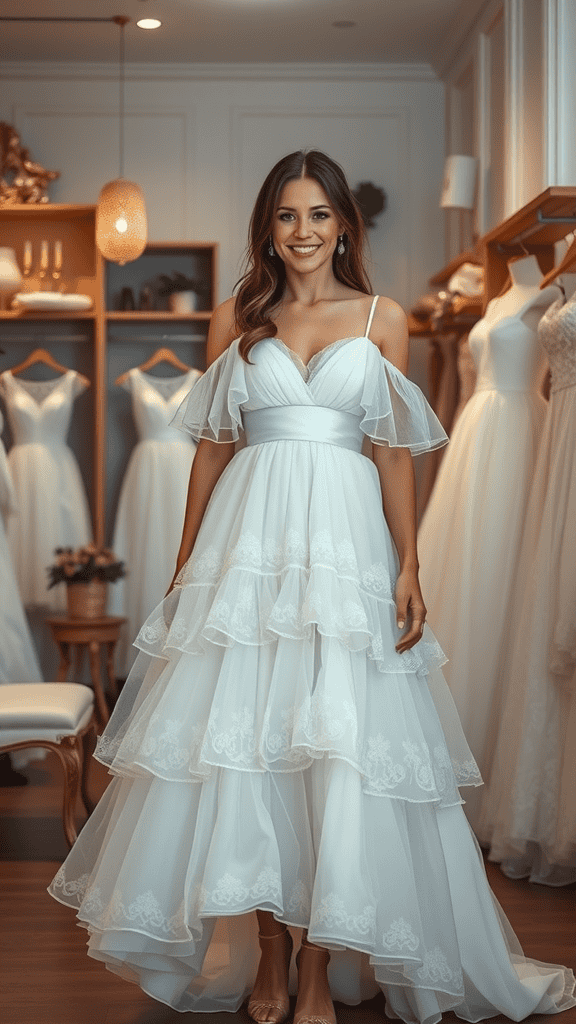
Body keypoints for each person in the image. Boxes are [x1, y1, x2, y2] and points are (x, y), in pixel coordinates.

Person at [48, 150, 575, 1024]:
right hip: (248, 549)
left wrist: (408, 564)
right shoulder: (236, 318)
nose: (303, 232)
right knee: (249, 753)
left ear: (344, 226)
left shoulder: (384, 319)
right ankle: (266, 956)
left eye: (319, 215)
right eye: (287, 216)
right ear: (269, 227)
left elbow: (392, 451)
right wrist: (186, 566)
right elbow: (212, 449)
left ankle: (319, 965)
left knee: (337, 755)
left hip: (345, 552)